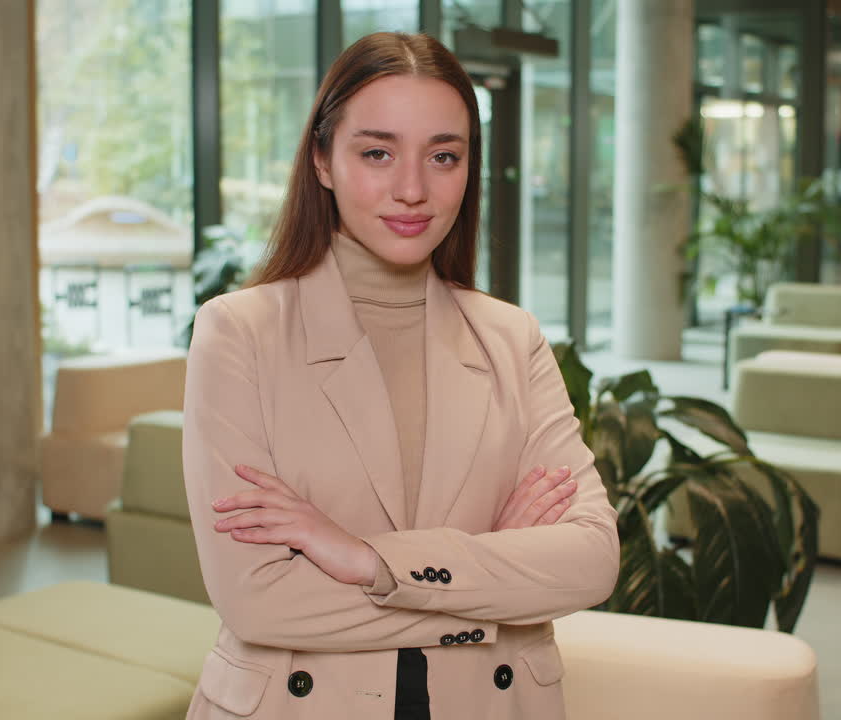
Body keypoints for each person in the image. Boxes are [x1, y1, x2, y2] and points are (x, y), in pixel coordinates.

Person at [182, 31, 619, 720]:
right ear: (322, 159)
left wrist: (366, 560)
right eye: (377, 152)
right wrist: (492, 580)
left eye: (444, 156)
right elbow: (257, 600)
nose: (412, 190)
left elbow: (592, 559)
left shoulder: (511, 337)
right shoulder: (240, 332)